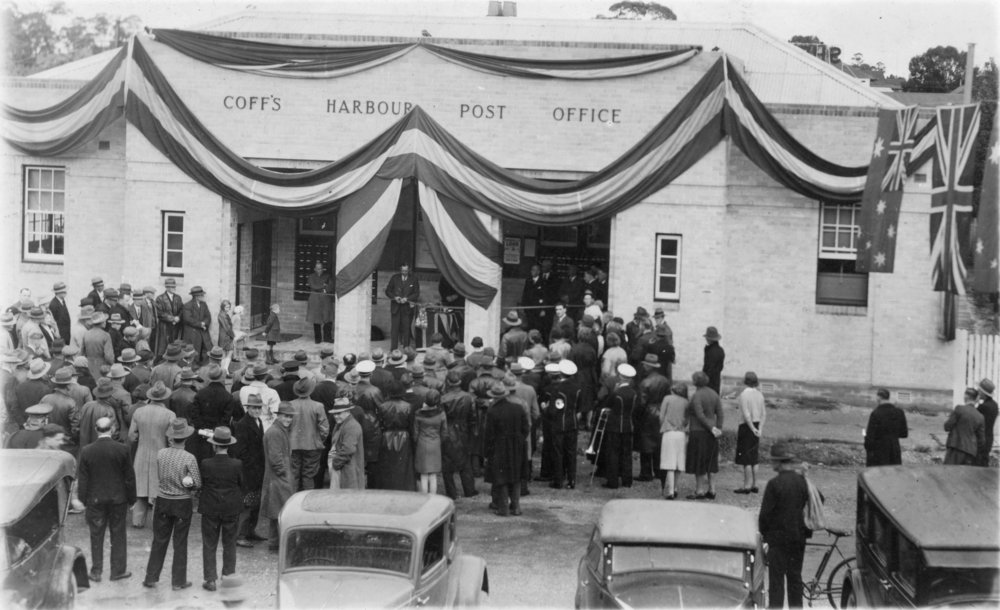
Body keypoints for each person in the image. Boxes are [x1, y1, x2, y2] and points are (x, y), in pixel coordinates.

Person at [143, 417, 201, 590]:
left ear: (171, 437)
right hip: (182, 502)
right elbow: (196, 482)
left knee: (159, 540)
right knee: (180, 542)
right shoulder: (189, 458)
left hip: (163, 500)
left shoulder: (161, 454)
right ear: (185, 437)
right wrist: (187, 484)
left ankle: (151, 577)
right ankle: (178, 581)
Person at [78, 416, 136, 583]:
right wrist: (132, 499)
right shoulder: (123, 449)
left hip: (95, 499)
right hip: (118, 499)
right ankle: (117, 571)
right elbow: (129, 477)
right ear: (112, 429)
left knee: (96, 535)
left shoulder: (87, 450)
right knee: (118, 534)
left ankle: (96, 571)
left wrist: (83, 499)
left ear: (96, 430)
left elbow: (83, 478)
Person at [758, 442, 810, 609]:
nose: (771, 463)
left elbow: (765, 515)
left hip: (778, 539)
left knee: (777, 581)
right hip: (798, 537)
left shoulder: (774, 484)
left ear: (779, 462)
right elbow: (817, 499)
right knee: (795, 578)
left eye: (773, 461)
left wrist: (764, 534)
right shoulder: (802, 481)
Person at [198, 426, 243, 592]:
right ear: (228, 445)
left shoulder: (206, 463)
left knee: (209, 543)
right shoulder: (237, 464)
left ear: (214, 445)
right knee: (230, 543)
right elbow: (241, 484)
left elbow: (201, 484)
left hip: (210, 506)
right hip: (231, 507)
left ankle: (210, 580)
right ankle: (228, 577)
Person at [128, 381, 176, 528]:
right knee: (158, 490)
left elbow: (131, 436)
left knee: (140, 488)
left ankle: (137, 521)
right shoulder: (169, 414)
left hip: (141, 453)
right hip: (160, 454)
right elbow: (172, 439)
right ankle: (158, 522)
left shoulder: (139, 412)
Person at [484, 381, 529, 516]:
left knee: (501, 476)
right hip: (517, 445)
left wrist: (487, 452)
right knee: (516, 475)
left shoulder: (492, 411)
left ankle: (503, 508)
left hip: (500, 446)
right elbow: (526, 429)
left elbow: (489, 435)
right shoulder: (518, 408)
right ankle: (515, 507)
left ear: (494, 396)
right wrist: (519, 440)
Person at [231, 394, 266, 548]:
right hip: (249, 470)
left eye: (259, 407)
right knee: (246, 504)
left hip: (257, 470)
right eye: (254, 407)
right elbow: (240, 451)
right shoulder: (243, 424)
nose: (257, 410)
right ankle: (240, 535)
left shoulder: (258, 421)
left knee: (255, 503)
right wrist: (253, 465)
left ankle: (250, 531)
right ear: (248, 408)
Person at [261, 402, 295, 552]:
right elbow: (275, 458)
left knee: (277, 511)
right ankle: (280, 544)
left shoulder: (278, 430)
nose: (288, 419)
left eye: (290, 417)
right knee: (281, 512)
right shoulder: (276, 432)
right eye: (286, 416)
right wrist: (284, 474)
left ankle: (275, 543)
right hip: (278, 477)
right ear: (278, 415)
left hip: (277, 476)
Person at [685, 371, 723, 500]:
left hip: (698, 431)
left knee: (699, 461)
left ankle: (699, 490)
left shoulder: (697, 395)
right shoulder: (714, 394)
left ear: (695, 382)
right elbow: (720, 412)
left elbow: (699, 415)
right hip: (712, 433)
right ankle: (712, 489)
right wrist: (718, 428)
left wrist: (711, 428)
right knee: (711, 461)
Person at [541, 360, 579, 489]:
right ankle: (572, 479)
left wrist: (545, 408)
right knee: (571, 452)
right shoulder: (577, 387)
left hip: (558, 424)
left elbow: (553, 410)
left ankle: (558, 480)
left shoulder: (558, 389)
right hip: (572, 423)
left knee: (558, 452)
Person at [440, 371, 477, 499]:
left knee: (447, 463)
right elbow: (473, 417)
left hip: (448, 429)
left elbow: (442, 418)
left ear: (448, 382)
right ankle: (469, 490)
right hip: (464, 430)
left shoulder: (443, 398)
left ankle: (452, 493)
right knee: (465, 462)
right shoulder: (469, 397)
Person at [288, 377, 329, 490]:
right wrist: (318, 439)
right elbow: (324, 428)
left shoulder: (290, 405)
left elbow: (286, 426)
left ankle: (292, 502)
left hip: (293, 445)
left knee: (293, 475)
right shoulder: (318, 406)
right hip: (312, 445)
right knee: (309, 476)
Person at [376, 381, 417, 491]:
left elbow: (380, 423)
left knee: (388, 465)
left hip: (387, 436)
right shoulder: (408, 406)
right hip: (404, 436)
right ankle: (404, 488)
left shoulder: (382, 406)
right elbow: (411, 425)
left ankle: (389, 488)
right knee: (403, 465)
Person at [602, 363, 637, 489]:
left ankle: (613, 481)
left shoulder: (616, 393)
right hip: (628, 425)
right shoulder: (633, 393)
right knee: (626, 454)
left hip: (615, 425)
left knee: (613, 453)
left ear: (621, 377)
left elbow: (608, 404)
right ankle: (627, 480)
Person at [732, 372, 767, 493]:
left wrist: (752, 429)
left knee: (745, 457)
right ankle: (755, 484)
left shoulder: (743, 395)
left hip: (746, 426)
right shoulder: (760, 394)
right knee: (754, 456)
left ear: (745, 381)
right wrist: (759, 429)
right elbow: (763, 414)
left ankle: (746, 485)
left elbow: (746, 415)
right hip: (757, 425)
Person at [658, 381, 689, 500]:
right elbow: (687, 419)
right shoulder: (686, 402)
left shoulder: (667, 398)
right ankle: (675, 488)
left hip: (669, 431)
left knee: (669, 461)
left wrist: (663, 426)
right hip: (681, 433)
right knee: (678, 462)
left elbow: (661, 416)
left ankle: (670, 491)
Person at [327, 396, 365, 490]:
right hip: (341, 466)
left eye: (339, 413)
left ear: (347, 412)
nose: (336, 416)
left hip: (346, 468)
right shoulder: (341, 424)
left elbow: (348, 449)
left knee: (346, 496)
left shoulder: (351, 426)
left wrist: (335, 464)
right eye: (335, 414)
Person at [863, 388, 907, 467]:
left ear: (879, 397)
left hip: (879, 451)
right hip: (894, 450)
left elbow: (870, 437)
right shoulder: (899, 412)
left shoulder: (876, 413)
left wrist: (867, 445)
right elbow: (904, 433)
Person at [413, 389, 446, 494]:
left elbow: (415, 433)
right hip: (435, 444)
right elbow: (444, 432)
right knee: (433, 475)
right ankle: (433, 498)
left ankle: (424, 497)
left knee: (423, 474)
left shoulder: (418, 414)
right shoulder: (441, 414)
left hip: (422, 444)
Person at [943, 387, 986, 465]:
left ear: (966, 396)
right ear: (975, 398)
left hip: (956, 447)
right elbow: (981, 440)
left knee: (949, 474)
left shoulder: (959, 409)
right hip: (971, 452)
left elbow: (947, 426)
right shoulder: (980, 416)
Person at [385, 264, 420, 350]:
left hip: (407, 308)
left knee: (406, 329)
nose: (404, 272)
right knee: (394, 329)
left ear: (409, 270)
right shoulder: (394, 278)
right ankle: (393, 349)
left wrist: (407, 299)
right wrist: (394, 297)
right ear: (400, 270)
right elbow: (388, 291)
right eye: (403, 271)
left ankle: (406, 348)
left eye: (406, 271)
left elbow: (416, 293)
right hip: (396, 307)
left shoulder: (414, 279)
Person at [182, 286, 213, 366]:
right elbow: (187, 319)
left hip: (203, 331)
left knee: (206, 348)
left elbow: (208, 316)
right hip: (192, 332)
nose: (203, 297)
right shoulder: (187, 305)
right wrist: (200, 324)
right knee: (195, 350)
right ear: (196, 296)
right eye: (201, 295)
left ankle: (204, 368)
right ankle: (193, 368)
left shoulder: (204, 304)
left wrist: (204, 323)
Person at [155, 279, 184, 359]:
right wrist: (172, 319)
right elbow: (159, 313)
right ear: (166, 287)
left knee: (174, 343)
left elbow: (182, 309)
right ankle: (162, 360)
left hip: (175, 326)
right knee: (163, 344)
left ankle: (173, 359)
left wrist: (178, 317)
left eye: (174, 287)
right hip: (165, 326)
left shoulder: (178, 298)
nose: (173, 288)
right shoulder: (160, 298)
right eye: (171, 287)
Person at [306, 261, 333, 344]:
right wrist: (323, 286)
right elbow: (313, 286)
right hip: (315, 300)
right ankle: (318, 339)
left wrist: (325, 288)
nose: (319, 270)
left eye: (321, 268)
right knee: (316, 319)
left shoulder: (327, 276)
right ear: (315, 269)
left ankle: (327, 338)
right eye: (318, 269)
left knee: (328, 318)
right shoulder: (311, 276)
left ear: (323, 269)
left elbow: (331, 287)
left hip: (325, 300)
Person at [976, 378, 998, 466]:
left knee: (978, 462)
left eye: (979, 390)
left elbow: (974, 418)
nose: (978, 391)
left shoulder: (983, 407)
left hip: (981, 438)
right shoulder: (995, 405)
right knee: (984, 461)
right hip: (989, 437)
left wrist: (975, 403)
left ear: (983, 393)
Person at [702, 326, 725, 395]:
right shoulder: (720, 350)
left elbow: (709, 368)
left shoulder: (711, 351)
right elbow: (720, 367)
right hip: (716, 380)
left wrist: (704, 381)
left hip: (709, 381)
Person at [217, 300, 235, 373]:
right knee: (229, 351)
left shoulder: (224, 314)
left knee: (224, 352)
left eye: (229, 307)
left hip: (224, 335)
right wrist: (232, 335)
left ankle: (223, 369)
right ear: (223, 307)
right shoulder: (222, 315)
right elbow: (227, 327)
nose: (228, 309)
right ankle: (225, 369)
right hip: (226, 335)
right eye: (226, 307)